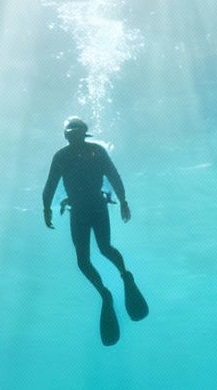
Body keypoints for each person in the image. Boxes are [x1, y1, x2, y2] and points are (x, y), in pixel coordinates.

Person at [42, 116, 148, 345]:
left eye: (77, 132)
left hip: (93, 208)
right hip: (82, 210)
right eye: (72, 133)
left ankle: (124, 277)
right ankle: (106, 292)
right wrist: (45, 208)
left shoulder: (90, 152)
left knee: (104, 249)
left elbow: (113, 176)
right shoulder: (62, 156)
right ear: (68, 135)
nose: (75, 136)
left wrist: (124, 201)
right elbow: (50, 184)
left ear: (82, 133)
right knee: (85, 259)